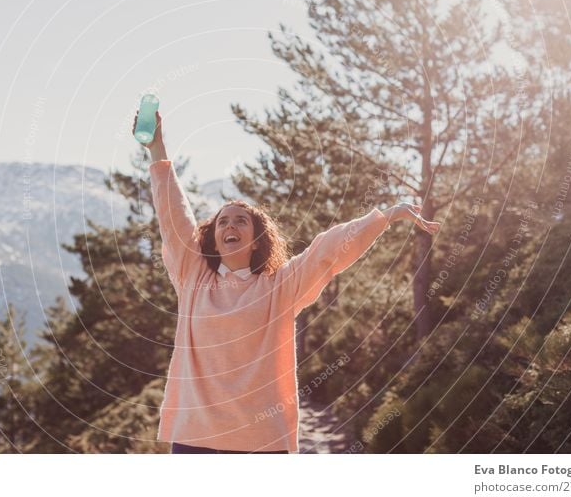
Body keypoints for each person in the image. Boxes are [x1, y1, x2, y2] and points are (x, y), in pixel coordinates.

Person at [133, 110, 440, 454]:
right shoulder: (193, 276)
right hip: (196, 439)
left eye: (240, 221)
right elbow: (174, 214)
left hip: (261, 440)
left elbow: (327, 251)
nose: (230, 226)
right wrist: (156, 148)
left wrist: (386, 216)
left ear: (256, 238)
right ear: (213, 238)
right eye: (222, 222)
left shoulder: (279, 287)